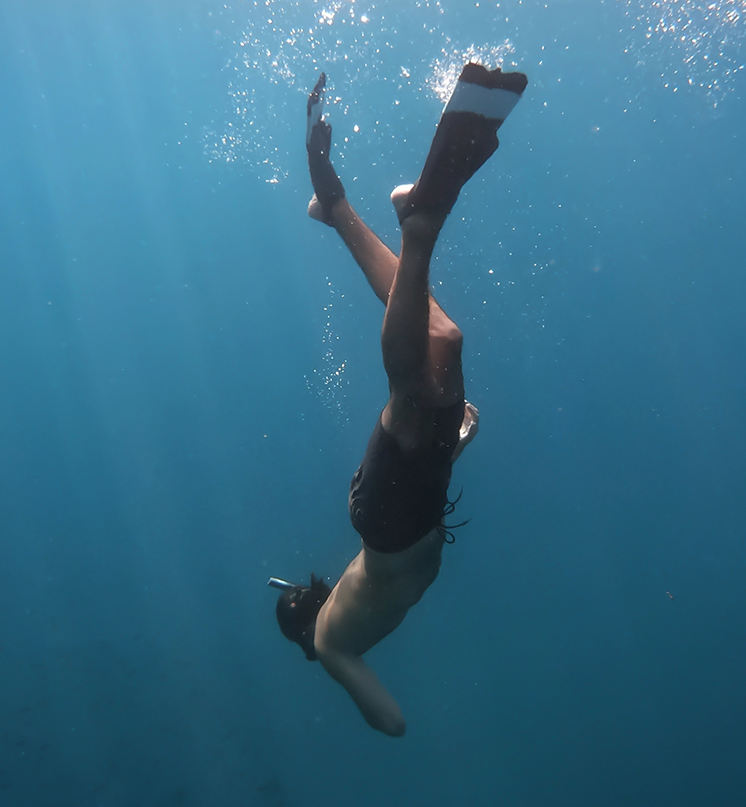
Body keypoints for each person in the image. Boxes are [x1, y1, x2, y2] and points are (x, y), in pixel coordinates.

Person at [271, 64, 527, 736]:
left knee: (411, 382)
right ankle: (340, 211)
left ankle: (418, 228)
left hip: (389, 517)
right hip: (417, 499)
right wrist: (455, 448)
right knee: (445, 338)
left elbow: (392, 722)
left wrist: (347, 677)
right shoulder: (345, 611)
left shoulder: (332, 644)